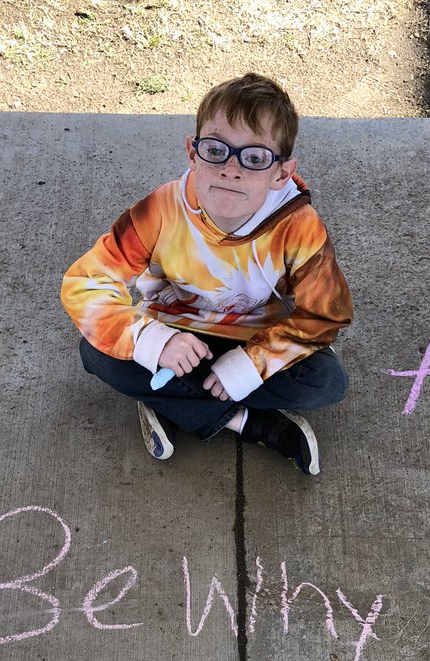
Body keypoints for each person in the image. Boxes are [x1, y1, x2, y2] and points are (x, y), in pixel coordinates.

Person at [61, 73, 352, 475]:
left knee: (326, 382)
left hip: (257, 334)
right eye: (216, 150)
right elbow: (85, 282)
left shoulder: (299, 227)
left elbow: (325, 313)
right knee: (96, 353)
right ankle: (249, 423)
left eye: (255, 158)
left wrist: (254, 364)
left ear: (282, 173)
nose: (231, 169)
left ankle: (169, 400)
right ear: (193, 153)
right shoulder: (161, 209)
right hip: (176, 331)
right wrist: (155, 341)